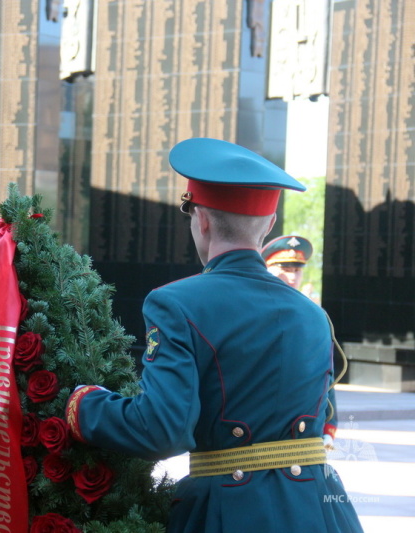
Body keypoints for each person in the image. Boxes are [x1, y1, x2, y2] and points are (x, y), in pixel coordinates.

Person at [65, 138, 362, 532]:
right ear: (269, 224)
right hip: (319, 511)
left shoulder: (175, 303)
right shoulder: (313, 315)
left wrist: (84, 406)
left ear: (201, 219)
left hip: (230, 511)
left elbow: (162, 430)